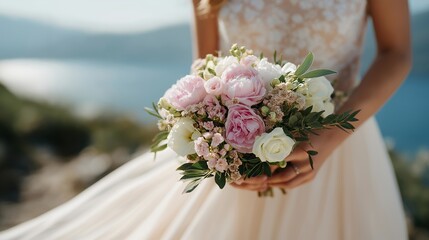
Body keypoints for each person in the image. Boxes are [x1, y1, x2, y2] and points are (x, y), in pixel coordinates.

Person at [0, 0, 411, 239]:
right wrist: (222, 148)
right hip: (237, 150)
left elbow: (396, 52)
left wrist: (329, 136)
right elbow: (205, 68)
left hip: (342, 144)